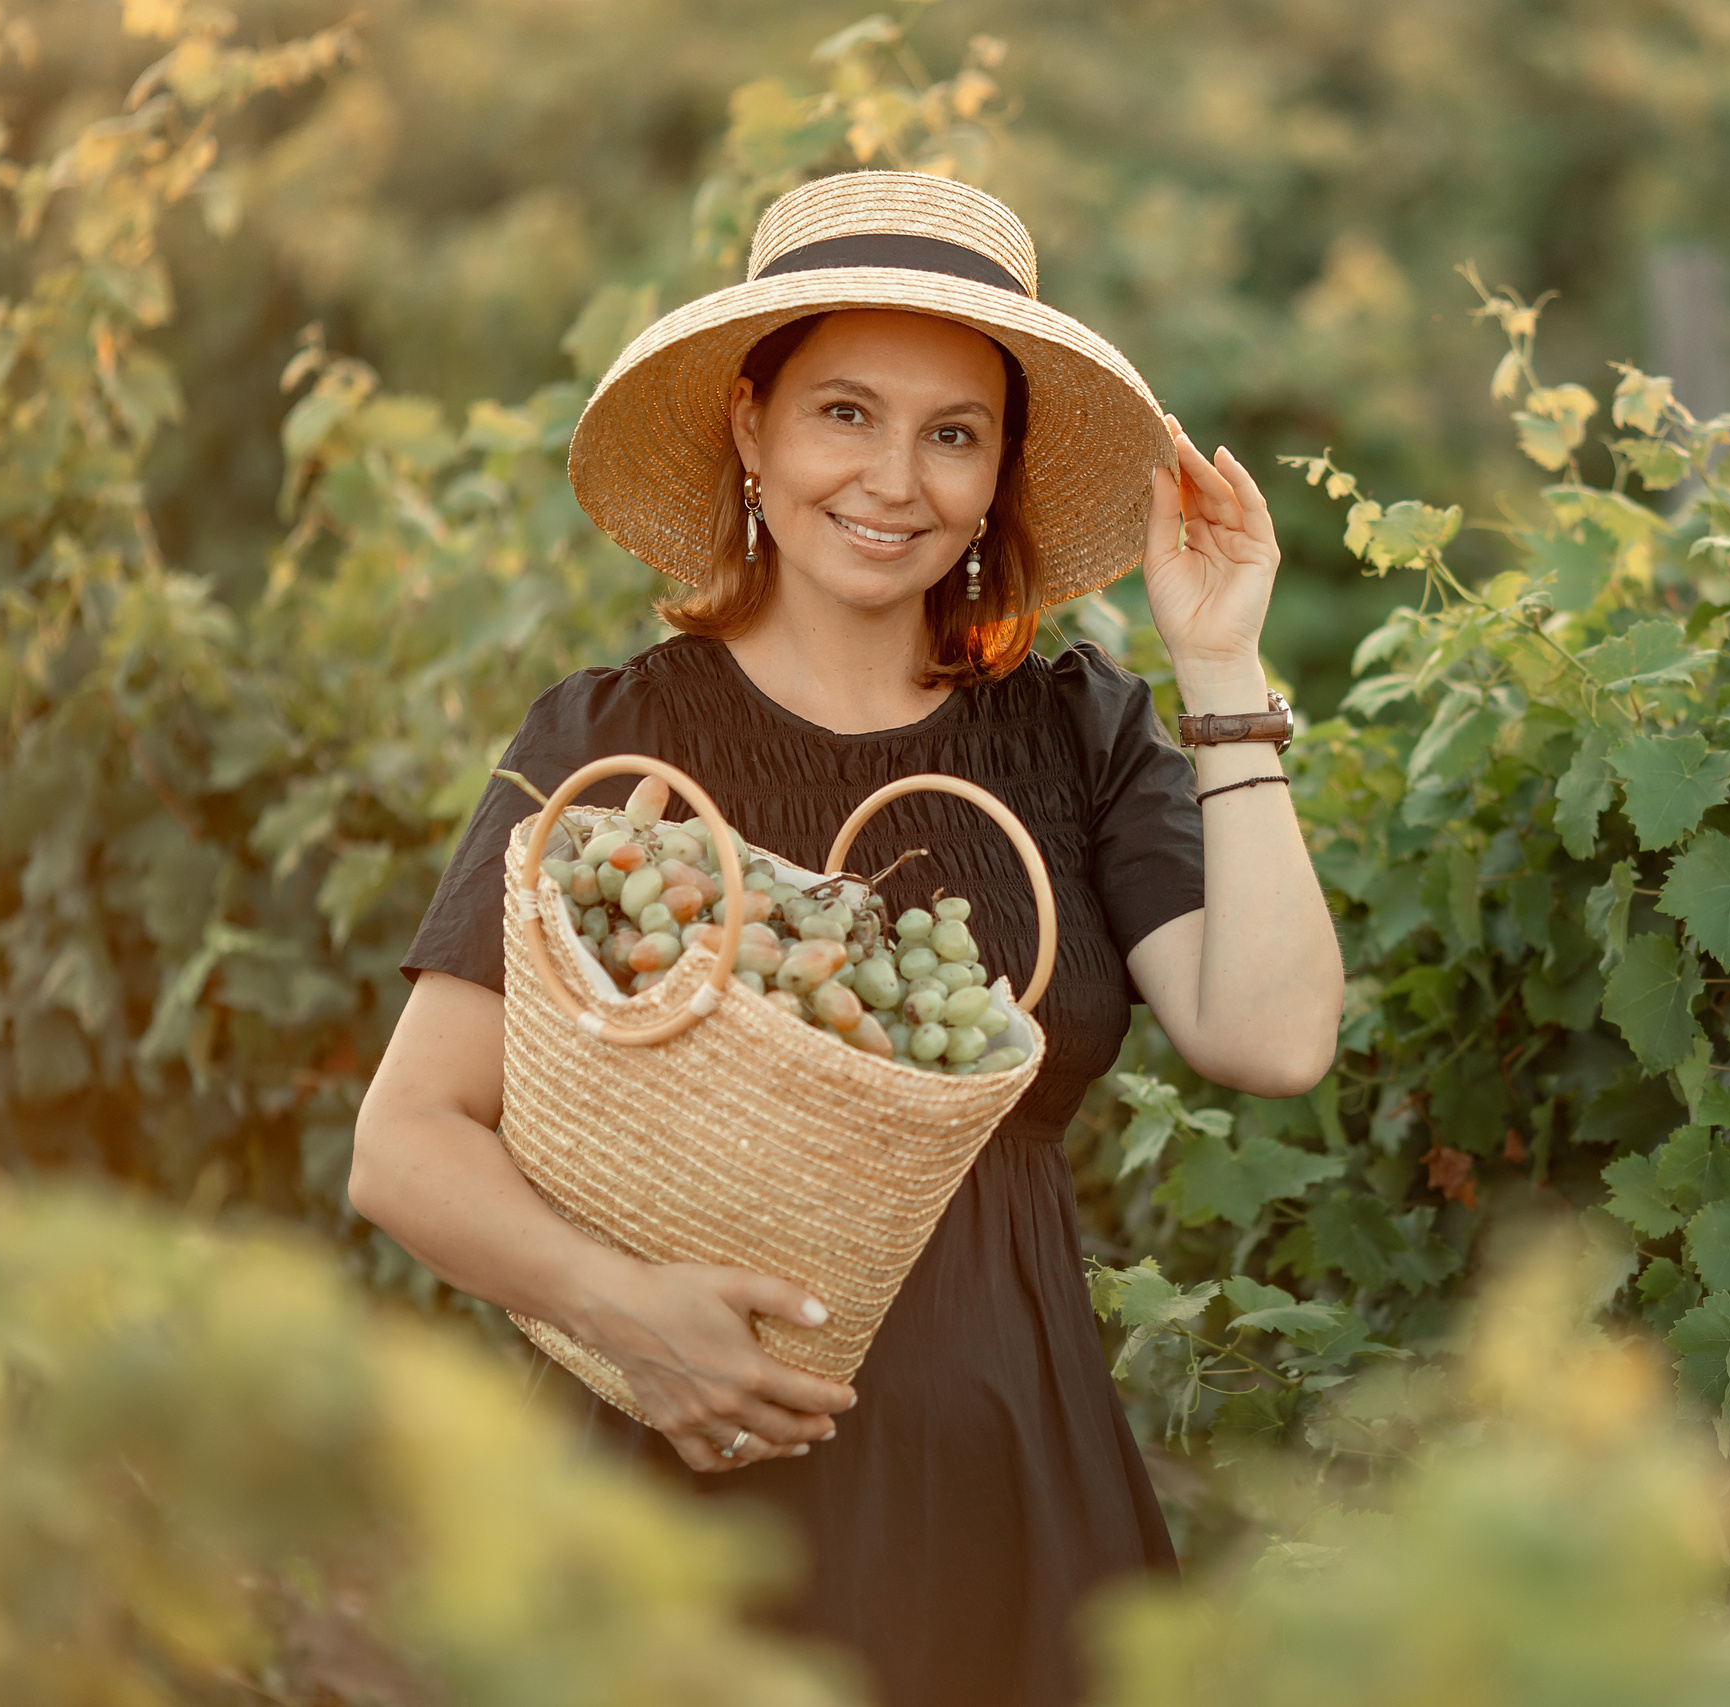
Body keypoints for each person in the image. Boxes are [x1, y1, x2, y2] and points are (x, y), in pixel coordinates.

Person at [349, 171, 1344, 1707]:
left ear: (1000, 470)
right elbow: (405, 1141)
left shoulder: (1074, 731)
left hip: (1013, 1509)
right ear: (752, 426)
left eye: (955, 433)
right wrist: (628, 1316)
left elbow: (1270, 1037)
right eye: (846, 414)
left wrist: (1223, 666)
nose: (898, 479)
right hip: (671, 1527)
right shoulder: (617, 747)